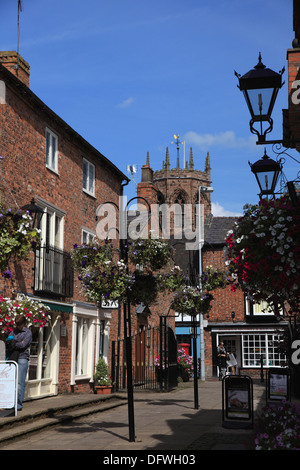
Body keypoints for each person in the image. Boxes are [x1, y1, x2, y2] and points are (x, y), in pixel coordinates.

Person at [13, 315, 32, 410]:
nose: (17, 326)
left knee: (20, 383)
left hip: (22, 359)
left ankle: (19, 404)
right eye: (16, 324)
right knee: (12, 381)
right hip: (13, 358)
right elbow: (9, 342)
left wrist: (14, 343)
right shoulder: (13, 331)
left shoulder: (28, 332)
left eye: (19, 324)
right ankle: (11, 402)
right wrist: (17, 343)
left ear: (23, 324)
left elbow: (24, 345)